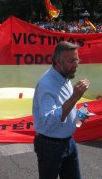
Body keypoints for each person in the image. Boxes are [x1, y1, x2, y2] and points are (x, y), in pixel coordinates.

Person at [33, 41, 90, 179]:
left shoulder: (65, 76)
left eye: (77, 59)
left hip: (68, 142)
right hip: (50, 147)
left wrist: (79, 116)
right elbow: (49, 121)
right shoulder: (47, 85)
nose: (76, 64)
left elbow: (63, 107)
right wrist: (74, 98)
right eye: (71, 60)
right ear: (58, 62)